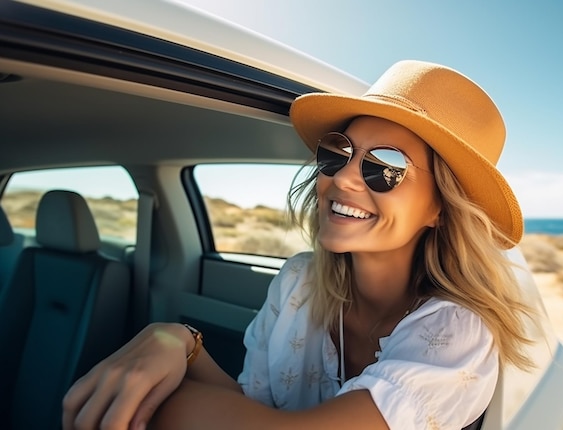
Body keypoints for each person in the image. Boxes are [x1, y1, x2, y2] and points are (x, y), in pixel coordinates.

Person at [62, 60, 534, 430]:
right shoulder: (299, 281)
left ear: (440, 209)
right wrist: (175, 340)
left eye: (386, 166)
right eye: (338, 152)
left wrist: (169, 403)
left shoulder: (457, 331)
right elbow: (249, 409)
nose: (343, 176)